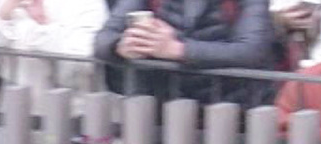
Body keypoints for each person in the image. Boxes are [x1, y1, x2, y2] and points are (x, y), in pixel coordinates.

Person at [94, 0, 283, 106]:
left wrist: (177, 49)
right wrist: (122, 45)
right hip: (164, 107)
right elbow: (102, 40)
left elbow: (252, 50)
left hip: (233, 110)